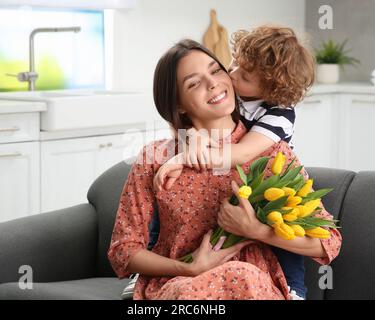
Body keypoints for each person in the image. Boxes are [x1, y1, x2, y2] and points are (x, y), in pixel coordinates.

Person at [108, 39, 341, 300]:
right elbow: (123, 251)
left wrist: (255, 230)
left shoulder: (272, 153)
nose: (213, 83)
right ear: (179, 105)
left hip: (255, 285)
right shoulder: (154, 158)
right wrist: (188, 267)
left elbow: (328, 242)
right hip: (178, 286)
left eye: (216, 70)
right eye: (194, 83)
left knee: (242, 275)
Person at [153, 25, 315, 299]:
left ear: (271, 88)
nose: (232, 73)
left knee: (282, 236)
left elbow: (240, 153)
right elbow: (196, 123)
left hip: (272, 187)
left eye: (245, 75)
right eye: (235, 61)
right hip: (239, 185)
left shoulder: (280, 113)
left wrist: (185, 157)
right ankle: (149, 275)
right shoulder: (236, 94)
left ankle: (292, 289)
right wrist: (192, 137)